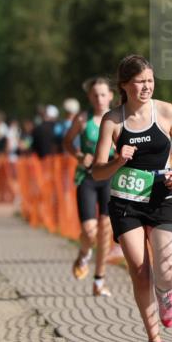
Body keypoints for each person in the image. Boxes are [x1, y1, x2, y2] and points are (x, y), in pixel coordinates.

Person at [91, 55, 172, 342]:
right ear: (125, 85)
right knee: (139, 272)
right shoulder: (112, 120)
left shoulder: (165, 111)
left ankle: (166, 295)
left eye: (150, 80)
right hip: (125, 202)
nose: (147, 86)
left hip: (162, 197)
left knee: (167, 272)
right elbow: (97, 172)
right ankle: (154, 340)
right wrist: (118, 160)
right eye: (140, 82)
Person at [63, 78, 116, 297]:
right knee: (89, 230)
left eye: (103, 94)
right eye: (95, 95)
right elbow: (67, 142)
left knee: (105, 229)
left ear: (111, 96)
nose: (99, 99)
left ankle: (99, 280)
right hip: (87, 177)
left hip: (110, 176)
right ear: (89, 97)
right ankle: (84, 254)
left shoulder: (118, 118)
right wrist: (78, 155)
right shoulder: (83, 119)